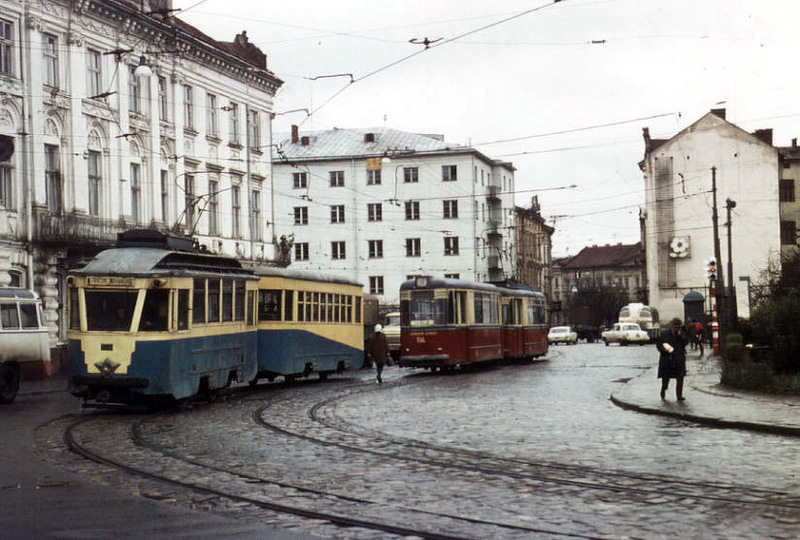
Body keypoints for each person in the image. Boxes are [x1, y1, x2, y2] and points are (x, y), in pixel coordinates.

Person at [656, 317, 689, 401]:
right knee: (666, 378)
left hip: (679, 359)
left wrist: (680, 336)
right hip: (667, 359)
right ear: (672, 326)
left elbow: (686, 342)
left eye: (678, 327)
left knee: (680, 378)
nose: (677, 329)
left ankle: (679, 395)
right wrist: (664, 350)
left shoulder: (682, 334)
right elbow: (659, 344)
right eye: (675, 327)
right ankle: (663, 389)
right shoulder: (665, 334)